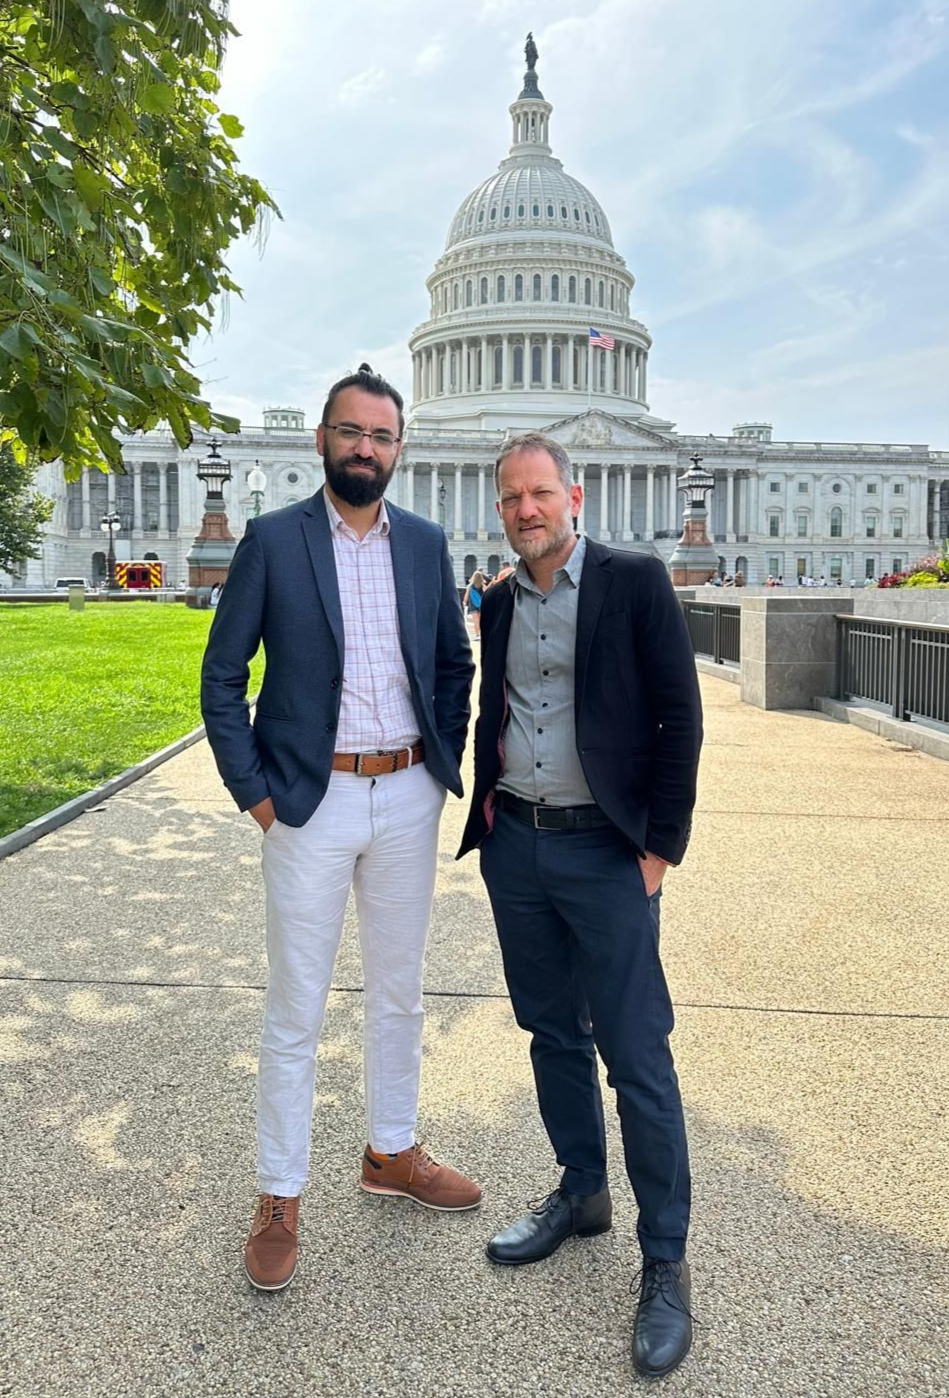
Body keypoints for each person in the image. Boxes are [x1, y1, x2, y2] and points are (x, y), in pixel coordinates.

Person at [201, 364, 480, 1294]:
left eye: (382, 436)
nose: (367, 448)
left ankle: (391, 1152)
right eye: (352, 432)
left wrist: (440, 766)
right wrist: (256, 794)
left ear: (400, 448)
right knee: (297, 1008)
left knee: (399, 992)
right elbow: (223, 675)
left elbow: (453, 661)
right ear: (322, 440)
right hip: (308, 804)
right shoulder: (274, 541)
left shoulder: (425, 543)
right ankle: (280, 1193)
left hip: (406, 795)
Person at [457, 431, 703, 1380]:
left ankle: (665, 1260)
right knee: (551, 1033)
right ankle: (582, 1190)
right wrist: (487, 800)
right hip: (518, 844)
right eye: (511, 497)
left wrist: (659, 849)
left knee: (636, 1052)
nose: (526, 509)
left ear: (575, 496)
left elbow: (680, 717)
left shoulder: (637, 582)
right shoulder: (499, 599)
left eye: (540, 494)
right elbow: (499, 711)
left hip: (608, 852)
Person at [463, 568, 486, 639]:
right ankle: (482, 634)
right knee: (482, 621)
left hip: (473, 605)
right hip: (482, 605)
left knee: (476, 621)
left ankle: (477, 635)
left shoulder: (470, 586)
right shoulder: (483, 586)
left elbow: (466, 596)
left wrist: (464, 602)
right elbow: (486, 594)